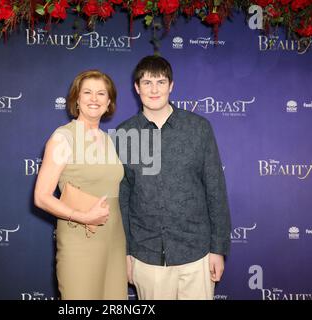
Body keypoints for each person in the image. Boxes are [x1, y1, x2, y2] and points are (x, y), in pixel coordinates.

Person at [116, 55, 231, 300]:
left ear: (171, 85)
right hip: (146, 255)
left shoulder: (198, 128)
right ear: (137, 88)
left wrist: (218, 249)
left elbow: (215, 189)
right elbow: (122, 198)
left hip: (196, 254)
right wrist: (124, 253)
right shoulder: (124, 133)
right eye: (147, 83)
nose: (154, 89)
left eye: (160, 81)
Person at [34, 70, 127, 300]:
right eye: (87, 92)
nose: (94, 99)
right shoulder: (63, 137)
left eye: (101, 93)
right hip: (80, 238)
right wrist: (82, 216)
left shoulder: (107, 139)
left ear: (109, 103)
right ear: (77, 99)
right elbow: (41, 197)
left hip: (114, 240)